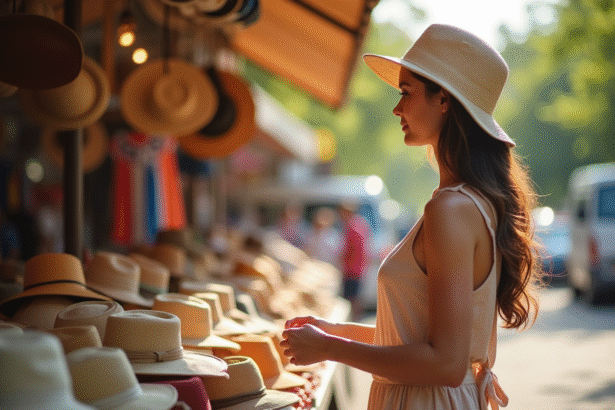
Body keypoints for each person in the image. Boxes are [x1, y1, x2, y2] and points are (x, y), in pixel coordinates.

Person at [280, 24, 544, 410]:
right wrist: (331, 332)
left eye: (406, 92)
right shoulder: (469, 204)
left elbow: (445, 364)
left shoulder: (450, 209)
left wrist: (331, 347)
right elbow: (412, 339)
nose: (396, 108)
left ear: (444, 101)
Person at [338, 201, 371, 320]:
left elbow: (352, 250)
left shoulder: (352, 226)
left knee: (351, 299)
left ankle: (353, 323)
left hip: (352, 268)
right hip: (359, 267)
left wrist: (343, 259)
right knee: (355, 297)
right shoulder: (361, 223)